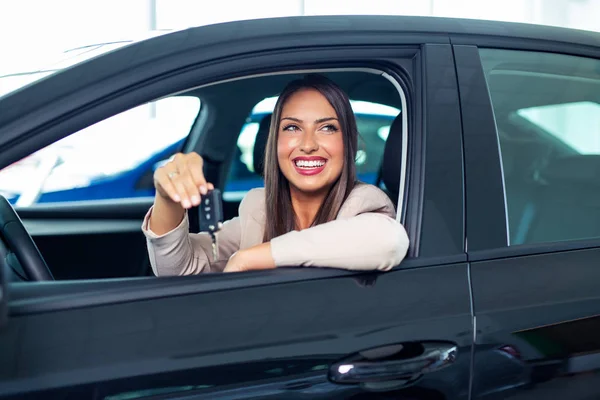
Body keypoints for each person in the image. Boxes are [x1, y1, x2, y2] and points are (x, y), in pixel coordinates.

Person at [142, 74, 409, 275]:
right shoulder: (259, 210)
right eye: (292, 128)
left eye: (327, 128)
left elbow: (389, 241)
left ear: (349, 142)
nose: (307, 144)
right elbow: (178, 269)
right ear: (274, 143)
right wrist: (168, 199)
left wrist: (248, 259)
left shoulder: (364, 204)